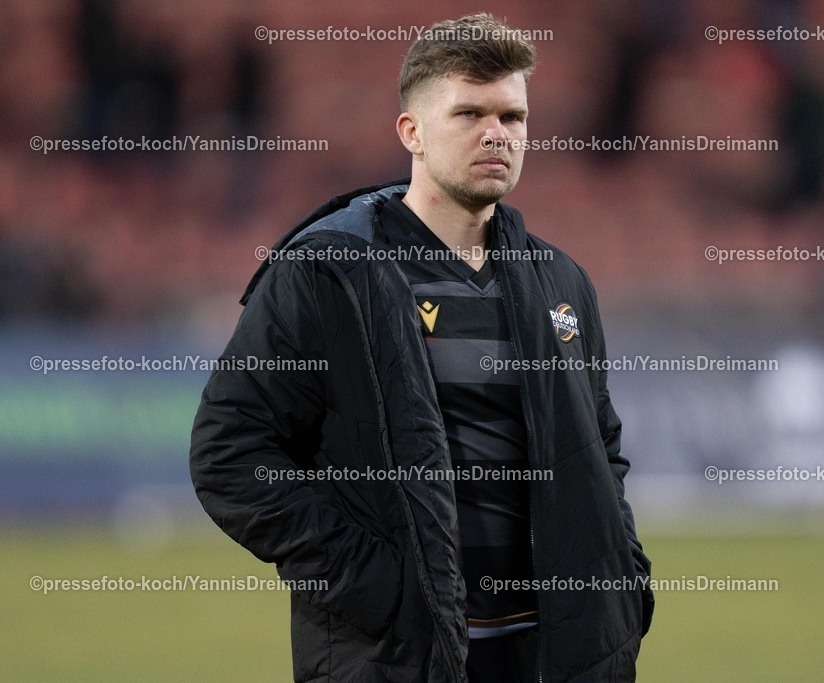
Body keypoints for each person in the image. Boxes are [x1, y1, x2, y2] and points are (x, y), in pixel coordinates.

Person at [190, 12, 653, 682]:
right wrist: (375, 584)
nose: (497, 133)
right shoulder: (328, 274)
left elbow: (600, 448)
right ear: (411, 131)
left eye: (513, 117)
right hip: (400, 657)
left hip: (556, 658)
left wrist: (622, 575)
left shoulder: (562, 281)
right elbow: (229, 452)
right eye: (469, 113)